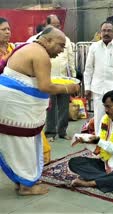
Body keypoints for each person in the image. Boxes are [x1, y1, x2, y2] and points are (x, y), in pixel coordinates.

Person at [0, 26, 80, 195]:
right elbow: (45, 86)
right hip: (15, 108)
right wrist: (69, 88)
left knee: (19, 144)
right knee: (23, 145)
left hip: (10, 105)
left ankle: (22, 180)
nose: (61, 50)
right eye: (60, 45)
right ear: (48, 40)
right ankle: (26, 186)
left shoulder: (28, 46)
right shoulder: (41, 55)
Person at [68, 90, 113, 193]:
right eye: (105, 106)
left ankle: (91, 183)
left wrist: (99, 141)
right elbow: (100, 148)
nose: (106, 110)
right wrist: (86, 141)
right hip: (106, 163)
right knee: (74, 162)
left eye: (109, 107)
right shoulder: (105, 119)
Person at [44, 14, 77, 142]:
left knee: (64, 106)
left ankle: (62, 131)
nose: (57, 27)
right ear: (47, 25)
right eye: (54, 25)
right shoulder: (41, 39)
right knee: (50, 107)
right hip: (48, 80)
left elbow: (71, 60)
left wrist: (73, 78)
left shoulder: (66, 40)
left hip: (64, 79)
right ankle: (50, 133)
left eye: (58, 25)